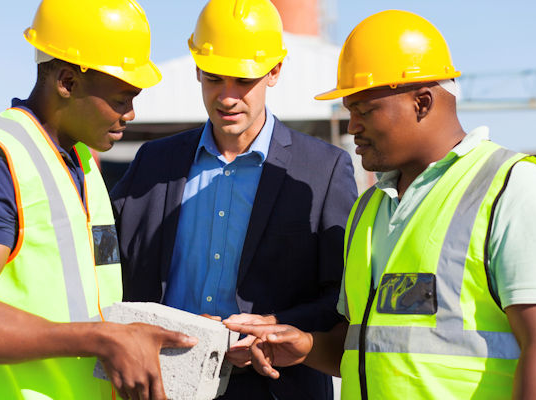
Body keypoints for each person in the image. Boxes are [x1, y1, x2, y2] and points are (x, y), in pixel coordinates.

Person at [225, 9, 536, 400]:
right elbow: (370, 350)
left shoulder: (512, 189)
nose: (352, 127)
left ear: (422, 103)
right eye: (349, 111)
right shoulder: (369, 209)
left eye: (365, 110)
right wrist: (308, 346)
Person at [110, 0, 358, 398]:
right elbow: (108, 271)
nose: (227, 97)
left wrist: (272, 327)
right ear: (196, 69)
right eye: (214, 79)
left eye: (243, 81)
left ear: (274, 71)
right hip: (163, 385)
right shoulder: (153, 164)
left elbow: (343, 295)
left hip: (277, 388)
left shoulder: (323, 170)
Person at [0, 1, 197, 399]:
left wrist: (173, 333)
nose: (131, 114)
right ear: (67, 81)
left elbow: (91, 301)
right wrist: (101, 339)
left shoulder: (83, 164)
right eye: (121, 99)